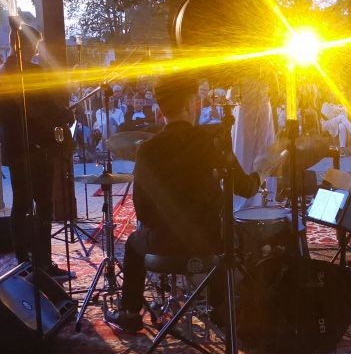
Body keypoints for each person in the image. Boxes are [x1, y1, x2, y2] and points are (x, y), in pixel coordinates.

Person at [107, 74, 261, 332]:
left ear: (161, 108)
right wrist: (262, 170)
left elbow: (142, 210)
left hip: (164, 246)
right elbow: (246, 188)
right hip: (208, 244)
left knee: (134, 242)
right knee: (225, 235)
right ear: (191, 102)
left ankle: (130, 313)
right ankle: (219, 309)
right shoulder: (211, 142)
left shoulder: (147, 149)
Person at [0, 24, 74, 280]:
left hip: (15, 150)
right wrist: (66, 115)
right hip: (38, 150)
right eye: (35, 45)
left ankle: (22, 262)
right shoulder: (35, 72)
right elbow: (48, 110)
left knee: (21, 204)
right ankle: (43, 263)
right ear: (25, 44)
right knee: (44, 206)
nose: (37, 50)